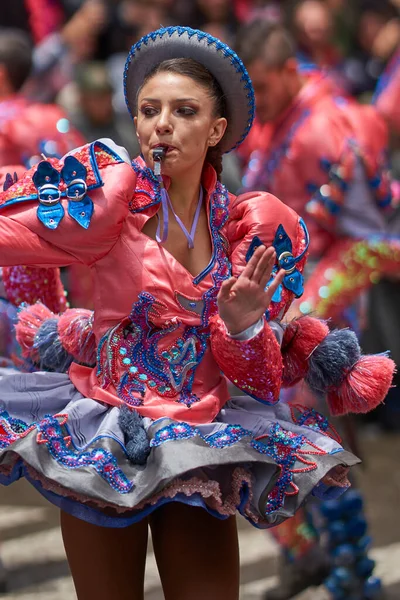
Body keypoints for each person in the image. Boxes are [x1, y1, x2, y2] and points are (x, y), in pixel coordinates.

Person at [0, 26, 393, 600]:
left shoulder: (252, 229)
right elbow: (14, 227)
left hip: (201, 449)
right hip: (105, 440)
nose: (162, 123)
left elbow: (260, 380)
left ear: (216, 130)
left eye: (184, 111)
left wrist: (245, 322)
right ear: (135, 125)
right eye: (149, 110)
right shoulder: (109, 203)